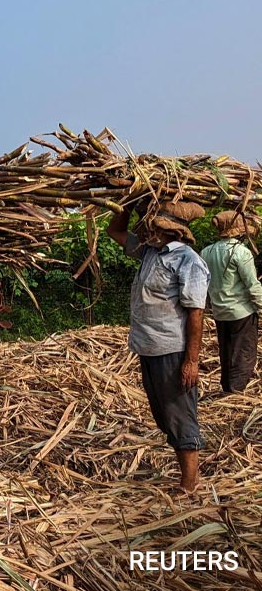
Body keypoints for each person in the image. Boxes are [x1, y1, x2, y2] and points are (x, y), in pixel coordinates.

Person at [108, 200, 210, 493]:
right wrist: (125, 204)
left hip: (172, 350)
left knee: (179, 414)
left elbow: (196, 313)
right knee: (163, 414)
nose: (147, 229)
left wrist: (191, 361)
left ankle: (189, 484)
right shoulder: (150, 252)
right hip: (148, 347)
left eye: (151, 224)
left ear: (167, 229)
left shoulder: (188, 261)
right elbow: (115, 231)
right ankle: (186, 475)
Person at [199, 211, 262, 393]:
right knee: (243, 354)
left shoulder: (206, 252)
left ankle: (227, 388)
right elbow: (253, 285)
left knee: (226, 352)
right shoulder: (241, 252)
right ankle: (235, 392)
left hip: (220, 312)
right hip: (242, 312)